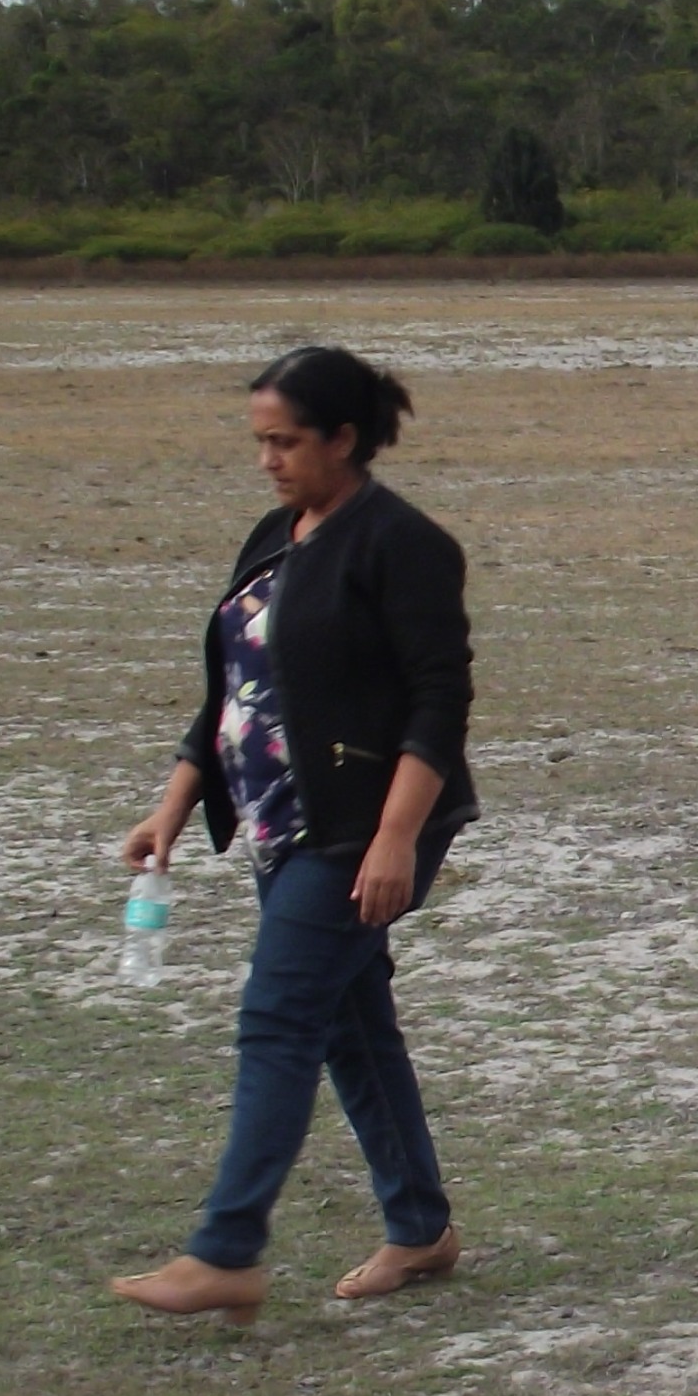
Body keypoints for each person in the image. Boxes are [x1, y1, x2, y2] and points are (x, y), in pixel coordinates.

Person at [110, 345, 481, 1324]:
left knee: (277, 1020)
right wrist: (173, 803)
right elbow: (235, 691)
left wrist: (396, 841)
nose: (267, 460)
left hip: (361, 829)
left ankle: (227, 1250)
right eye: (259, 441)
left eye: (284, 442)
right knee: (353, 1030)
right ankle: (421, 1229)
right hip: (283, 823)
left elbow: (439, 705)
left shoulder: (401, 544)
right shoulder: (277, 535)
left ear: (343, 439)